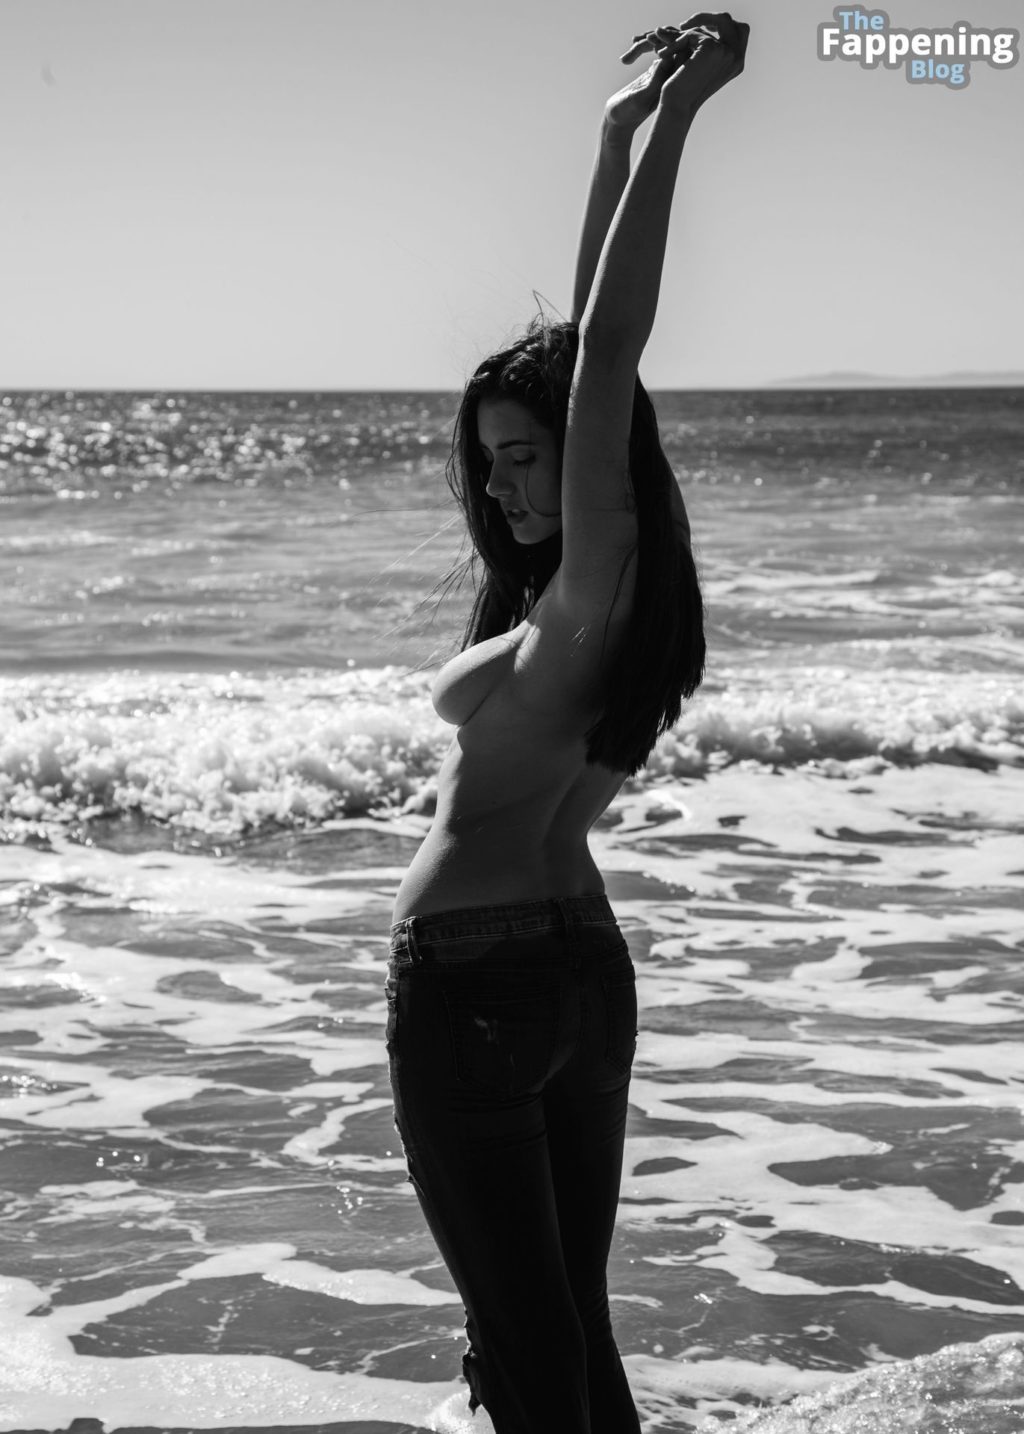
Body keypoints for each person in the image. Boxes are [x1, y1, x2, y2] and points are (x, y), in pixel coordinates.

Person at [385, 15, 749, 1432]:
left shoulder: (593, 588)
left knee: (531, 1359)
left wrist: (686, 115)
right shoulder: (603, 602)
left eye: (527, 457)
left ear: (589, 460)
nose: (505, 488)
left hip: (478, 991)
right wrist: (613, 134)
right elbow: (584, 358)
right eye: (490, 465)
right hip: (581, 976)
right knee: (570, 1342)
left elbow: (604, 357)